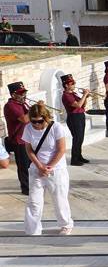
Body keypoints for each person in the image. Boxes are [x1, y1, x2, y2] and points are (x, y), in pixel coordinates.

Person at [23, 103, 74, 236]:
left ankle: (66, 224)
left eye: (39, 121)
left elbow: (61, 149)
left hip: (56, 170)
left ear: (45, 118)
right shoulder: (28, 128)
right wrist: (40, 166)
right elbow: (29, 150)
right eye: (33, 121)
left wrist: (49, 167)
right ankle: (33, 230)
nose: (36, 124)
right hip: (37, 169)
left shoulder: (56, 128)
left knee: (59, 199)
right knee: (34, 201)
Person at [4, 82, 31, 194]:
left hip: (28, 138)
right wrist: (36, 109)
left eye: (24, 92)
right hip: (19, 141)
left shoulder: (22, 104)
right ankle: (26, 188)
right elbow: (24, 119)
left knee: (31, 164)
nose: (23, 95)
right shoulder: (10, 106)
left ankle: (33, 185)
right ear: (13, 94)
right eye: (21, 93)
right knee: (23, 166)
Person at [60, 74, 89, 166]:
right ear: (66, 85)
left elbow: (83, 105)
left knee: (80, 138)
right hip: (74, 117)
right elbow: (78, 105)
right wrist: (84, 94)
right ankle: (74, 159)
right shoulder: (66, 95)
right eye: (72, 83)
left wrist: (86, 97)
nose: (74, 85)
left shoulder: (73, 94)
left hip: (80, 115)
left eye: (74, 83)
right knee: (77, 138)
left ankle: (79, 156)